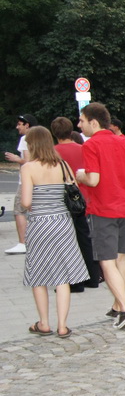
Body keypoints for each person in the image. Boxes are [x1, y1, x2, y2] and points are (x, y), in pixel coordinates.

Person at [76, 102, 125, 329]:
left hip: (102, 209)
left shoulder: (91, 145)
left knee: (106, 261)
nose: (79, 125)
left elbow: (93, 179)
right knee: (121, 258)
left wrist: (80, 175)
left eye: (82, 121)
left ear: (93, 122)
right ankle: (118, 305)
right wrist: (120, 176)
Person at [20, 126, 88, 338]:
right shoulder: (63, 165)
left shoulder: (28, 168)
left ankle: (43, 323)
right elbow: (74, 191)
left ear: (33, 145)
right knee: (63, 275)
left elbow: (26, 202)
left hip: (39, 224)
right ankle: (62, 326)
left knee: (38, 274)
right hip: (62, 223)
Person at [51, 116, 102, 292]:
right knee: (85, 238)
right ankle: (93, 277)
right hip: (84, 198)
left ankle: (74, 281)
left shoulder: (52, 153)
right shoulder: (84, 148)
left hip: (62, 201)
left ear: (54, 133)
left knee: (67, 241)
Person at [4, 114, 37, 254]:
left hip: (25, 181)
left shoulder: (25, 139)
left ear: (27, 125)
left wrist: (17, 159)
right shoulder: (41, 138)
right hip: (40, 180)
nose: (17, 127)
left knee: (19, 210)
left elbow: (28, 162)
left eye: (19, 124)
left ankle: (23, 243)